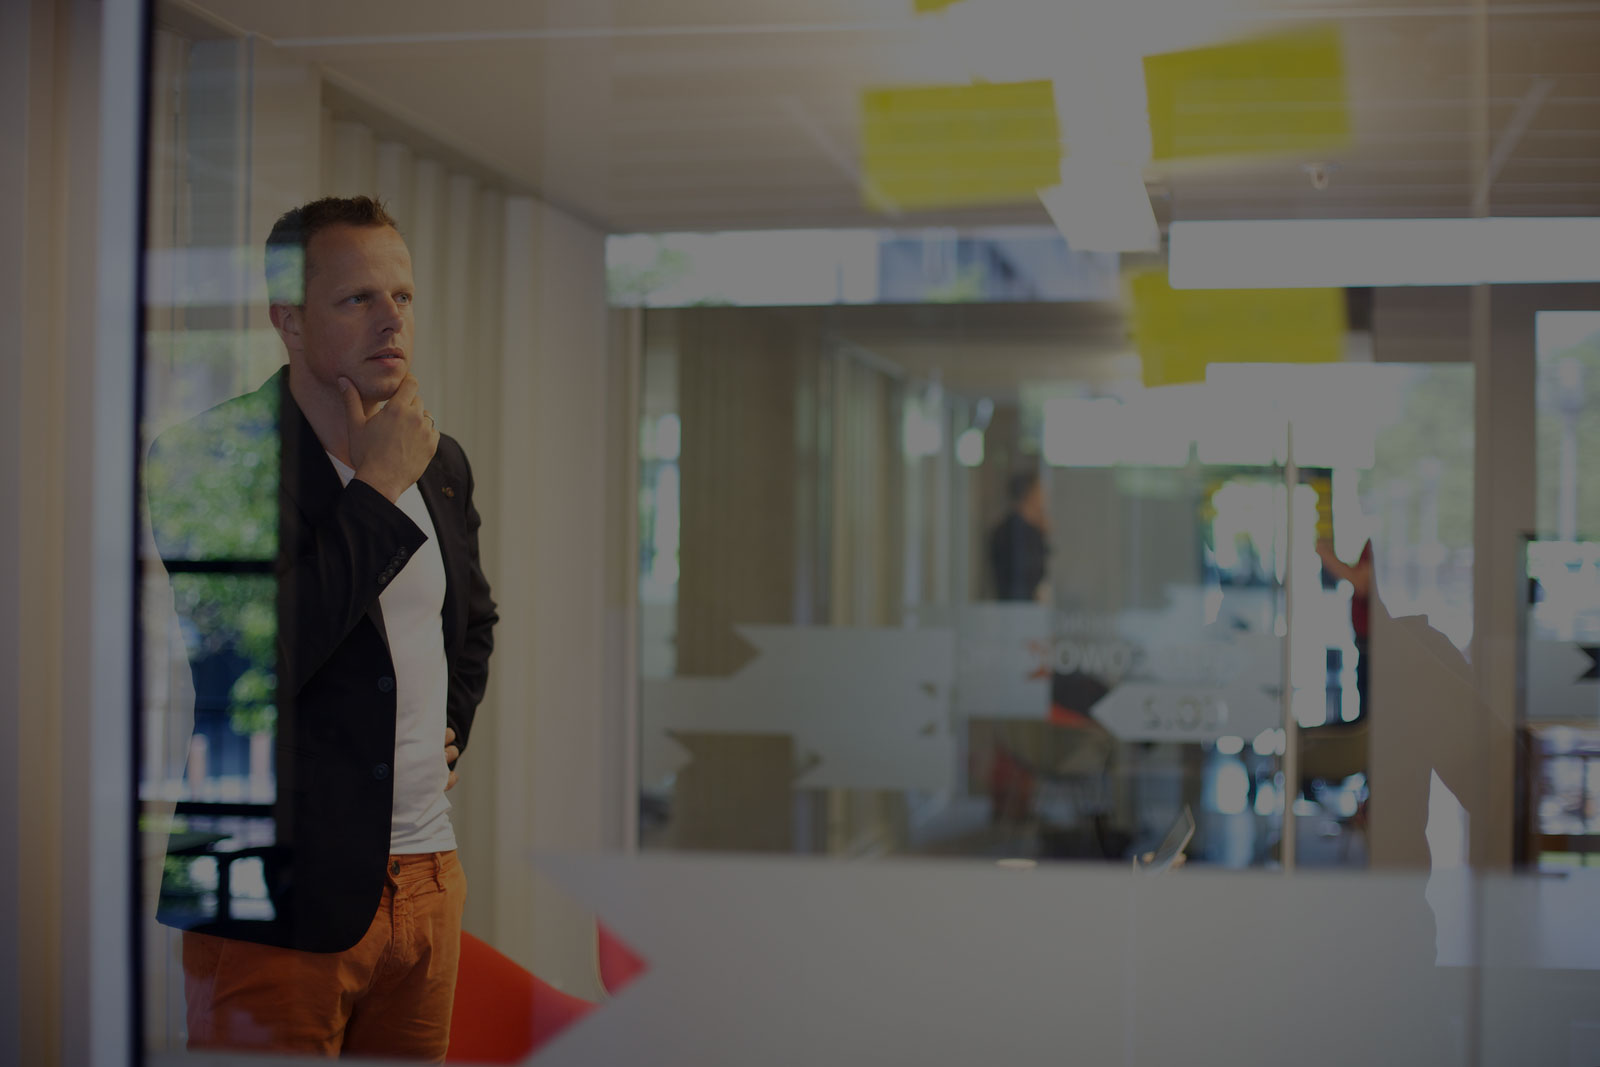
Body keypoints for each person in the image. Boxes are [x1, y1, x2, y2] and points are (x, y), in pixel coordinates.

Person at [147, 196, 498, 1061]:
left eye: (402, 296)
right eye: (358, 298)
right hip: (276, 886)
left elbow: (472, 623)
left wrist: (449, 728)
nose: (391, 318)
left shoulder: (440, 458)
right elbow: (254, 661)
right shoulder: (207, 459)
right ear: (291, 322)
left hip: (427, 875)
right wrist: (374, 492)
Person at [989, 469, 1050, 602]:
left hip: (1021, 606)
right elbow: (1028, 574)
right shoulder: (1012, 532)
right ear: (1030, 495)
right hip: (1017, 606)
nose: (1044, 498)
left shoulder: (1027, 530)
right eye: (1039, 492)